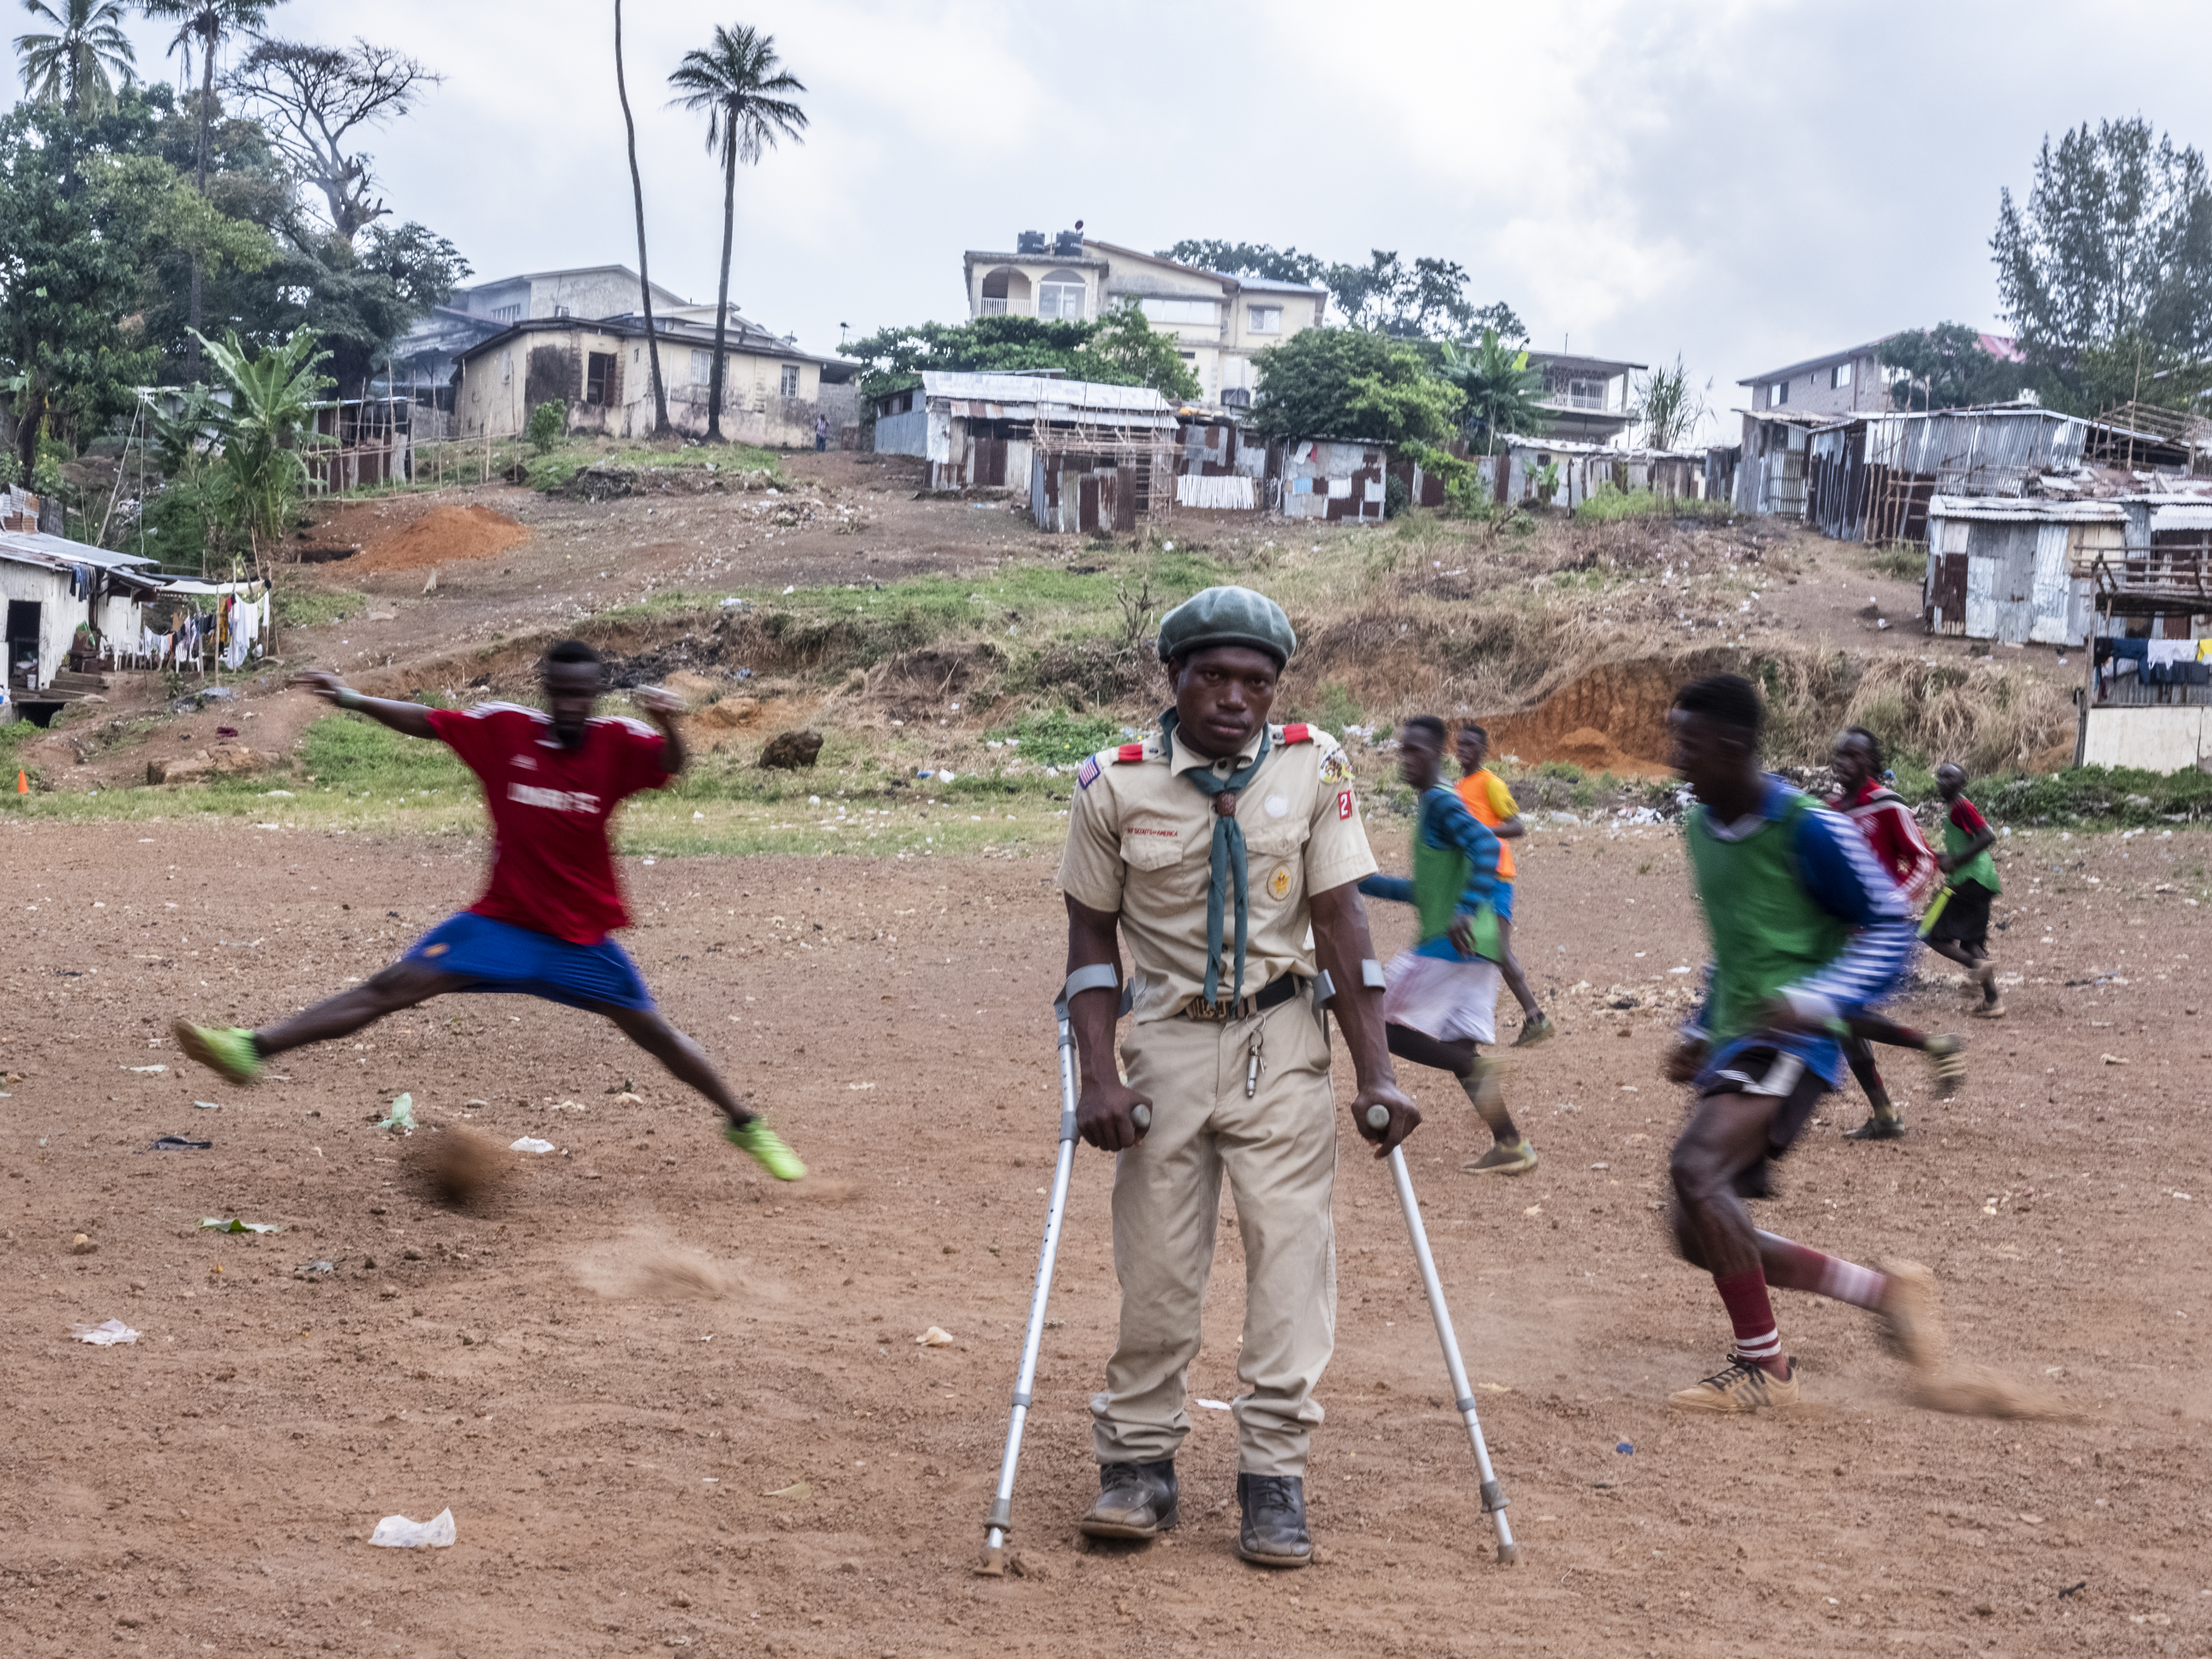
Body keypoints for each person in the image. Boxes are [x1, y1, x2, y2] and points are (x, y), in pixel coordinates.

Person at [1058, 584, 1415, 1570]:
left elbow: (1344, 921)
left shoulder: (1313, 766)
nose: (1233, 697)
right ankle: (1136, 1465)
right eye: (1210, 676)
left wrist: (1376, 1070)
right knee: (1159, 1268)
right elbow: (1091, 942)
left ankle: (1273, 1479)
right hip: (1164, 1047)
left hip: (1284, 1042)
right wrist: (1096, 1077)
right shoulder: (1113, 786)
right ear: (1171, 679)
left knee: (1291, 1265)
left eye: (1254, 681)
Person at [171, 641, 804, 1181]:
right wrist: (351, 698)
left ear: (597, 693)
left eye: (583, 694)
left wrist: (669, 724)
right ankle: (251, 1049)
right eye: (560, 692)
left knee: (656, 1035)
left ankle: (745, 1125)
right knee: (391, 986)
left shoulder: (617, 744)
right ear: (546, 690)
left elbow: (669, 764)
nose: (571, 705)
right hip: (499, 923)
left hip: (578, 939)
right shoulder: (506, 731)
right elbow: (430, 720)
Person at [1662, 674, 1939, 1413]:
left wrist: (1816, 1000)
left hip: (1794, 1039)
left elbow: (1889, 926)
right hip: (1737, 1040)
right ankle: (1882, 1292)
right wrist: (1698, 1026)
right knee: (1695, 1232)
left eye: (1685, 744)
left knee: (1696, 1168)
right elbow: (1737, 940)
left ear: (1733, 747)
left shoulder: (1810, 827)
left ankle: (1764, 1368)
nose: (1673, 760)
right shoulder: (1700, 828)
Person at [1361, 717, 1538, 1176]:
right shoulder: (1434, 805)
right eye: (1403, 750)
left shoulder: (1440, 801)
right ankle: (1511, 1145)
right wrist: (1361, 882)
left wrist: (1464, 908)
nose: (1406, 760)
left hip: (1450, 943)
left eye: (1416, 751)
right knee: (1461, 1054)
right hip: (1473, 947)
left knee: (1373, 1019)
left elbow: (1485, 845)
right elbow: (1425, 890)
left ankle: (1485, 1079)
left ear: (1438, 754)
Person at [1825, 726, 1965, 1140]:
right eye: (1838, 755)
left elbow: (1923, 861)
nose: (1841, 763)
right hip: (1839, 931)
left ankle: (1934, 1045)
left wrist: (1889, 904)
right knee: (1843, 1021)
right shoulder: (1830, 807)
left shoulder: (1887, 805)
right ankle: (1885, 1115)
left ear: (1869, 764)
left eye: (1851, 757)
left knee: (1841, 1015)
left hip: (1875, 933)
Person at [1453, 724, 1552, 1045]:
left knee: (1496, 949)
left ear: (1483, 751)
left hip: (1495, 876)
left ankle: (1535, 1017)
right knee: (1472, 948)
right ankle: (1466, 1021)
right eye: (1459, 744)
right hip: (1471, 879)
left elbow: (1517, 827)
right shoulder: (1458, 787)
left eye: (1470, 745)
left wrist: (1481, 832)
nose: (1463, 749)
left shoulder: (1491, 784)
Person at [1927, 761, 2004, 1018]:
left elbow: (1987, 836)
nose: (1942, 782)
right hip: (1981, 880)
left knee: (1931, 933)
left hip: (1970, 880)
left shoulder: (1961, 806)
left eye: (1949, 778)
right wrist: (1940, 856)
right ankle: (1993, 1001)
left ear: (1961, 784)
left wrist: (1955, 861)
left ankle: (1976, 965)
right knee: (1971, 940)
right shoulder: (1953, 808)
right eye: (1940, 776)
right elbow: (1961, 846)